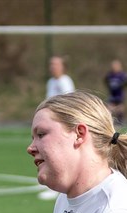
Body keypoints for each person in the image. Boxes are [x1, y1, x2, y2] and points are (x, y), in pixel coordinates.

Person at [39, 56, 76, 200]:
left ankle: (57, 186)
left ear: (63, 67)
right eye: (51, 64)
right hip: (50, 124)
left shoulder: (65, 82)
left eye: (56, 64)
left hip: (60, 125)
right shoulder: (51, 82)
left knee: (56, 154)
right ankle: (51, 180)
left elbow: (68, 103)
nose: (52, 67)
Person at [103, 59, 127, 124]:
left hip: (119, 94)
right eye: (113, 66)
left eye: (116, 66)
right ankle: (108, 121)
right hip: (112, 94)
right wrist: (109, 86)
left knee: (120, 109)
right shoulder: (110, 75)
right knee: (109, 109)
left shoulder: (122, 74)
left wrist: (124, 84)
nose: (114, 67)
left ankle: (120, 122)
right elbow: (106, 80)